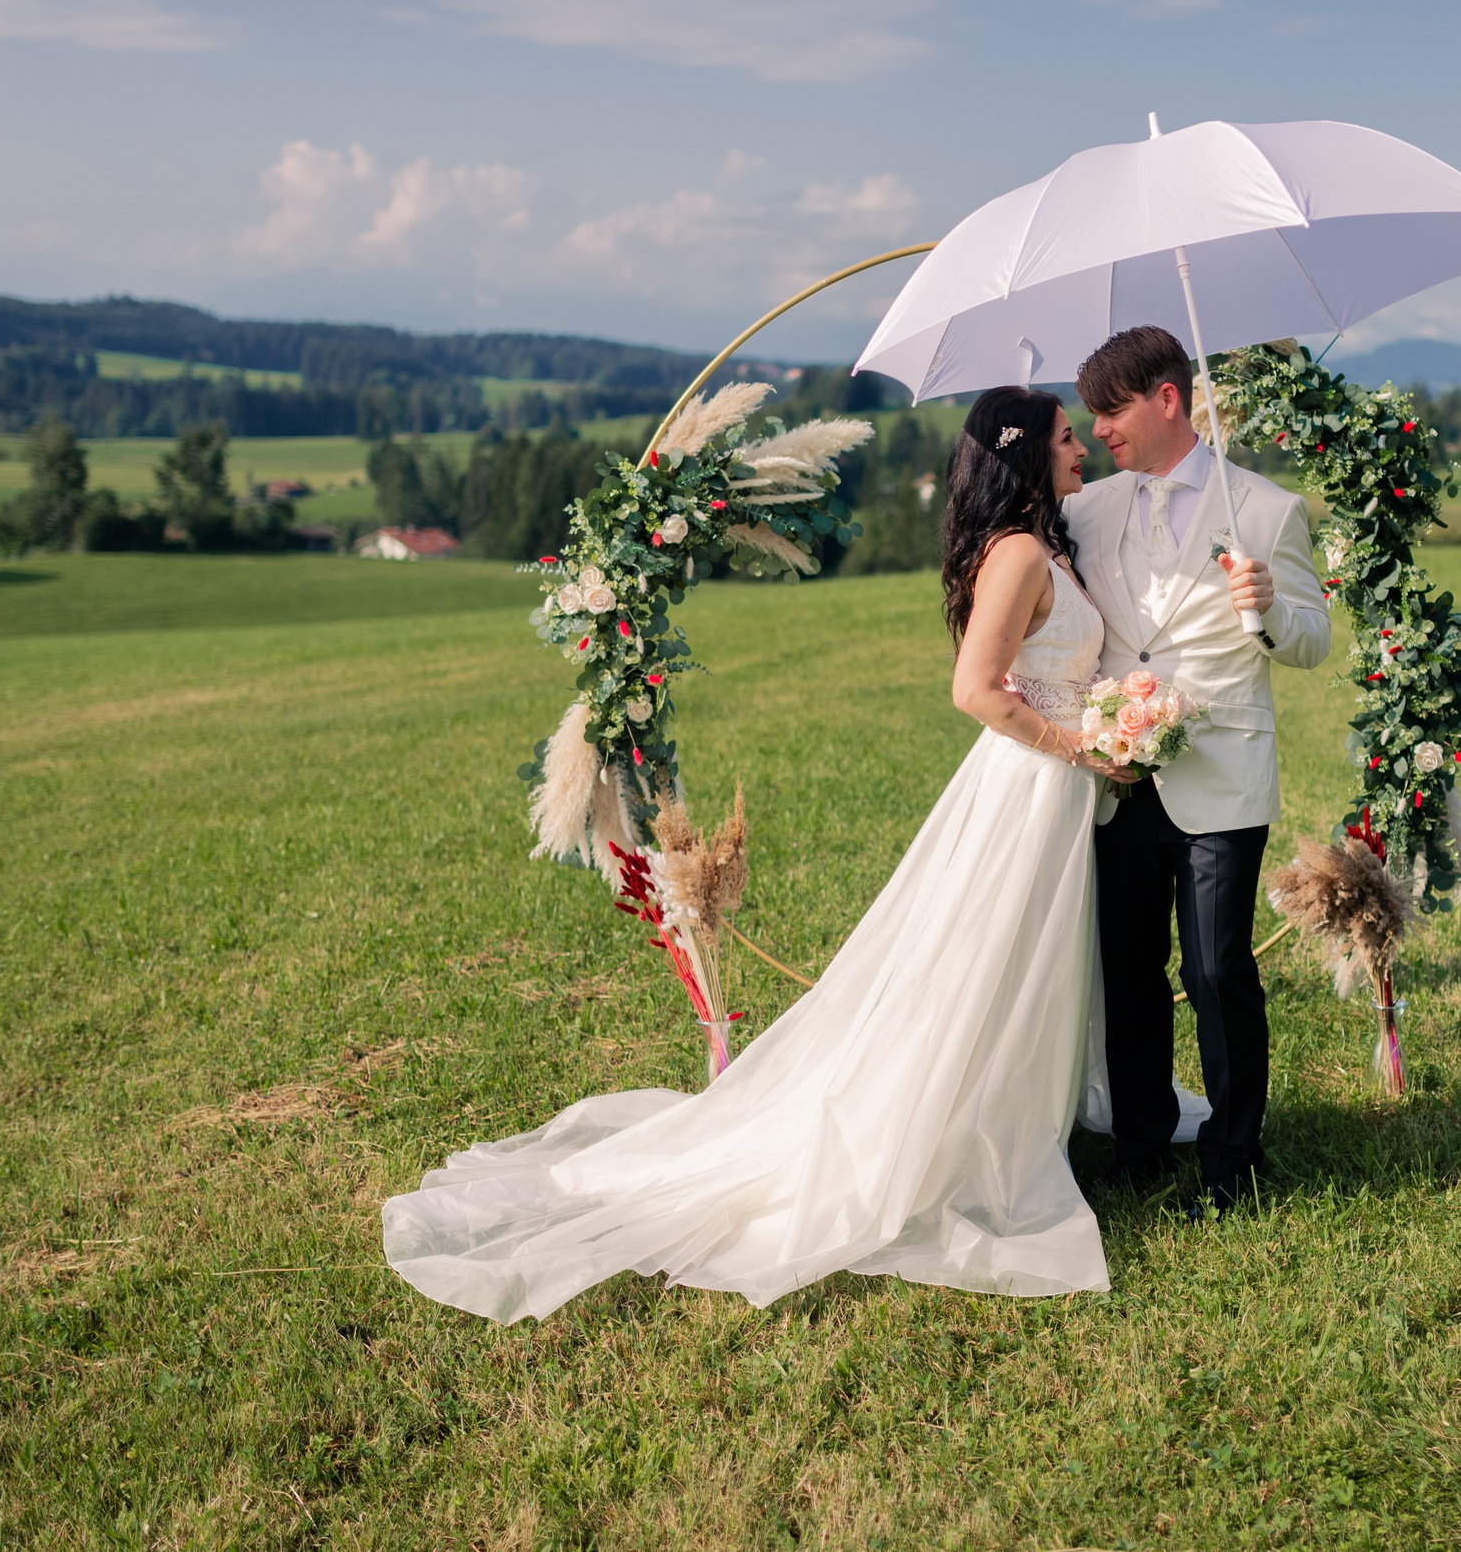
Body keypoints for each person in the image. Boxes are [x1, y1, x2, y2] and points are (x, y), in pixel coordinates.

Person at [383, 387, 1140, 1321]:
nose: (1082, 451)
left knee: (1022, 962)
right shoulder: (1021, 552)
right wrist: (1083, 746)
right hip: (1027, 786)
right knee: (985, 959)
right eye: (1069, 438)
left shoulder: (1048, 544)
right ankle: (959, 1131)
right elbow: (975, 689)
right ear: (1028, 457)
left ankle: (1014, 1113)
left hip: (1054, 789)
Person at [1065, 327, 1330, 1217]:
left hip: (1223, 774)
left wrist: (1267, 611)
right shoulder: (1088, 511)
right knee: (1127, 965)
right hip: (1118, 774)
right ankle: (1140, 1142)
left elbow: (1314, 641)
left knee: (1217, 969)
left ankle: (1234, 1161)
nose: (1098, 428)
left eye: (1112, 409)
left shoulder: (1265, 508)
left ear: (1168, 399)